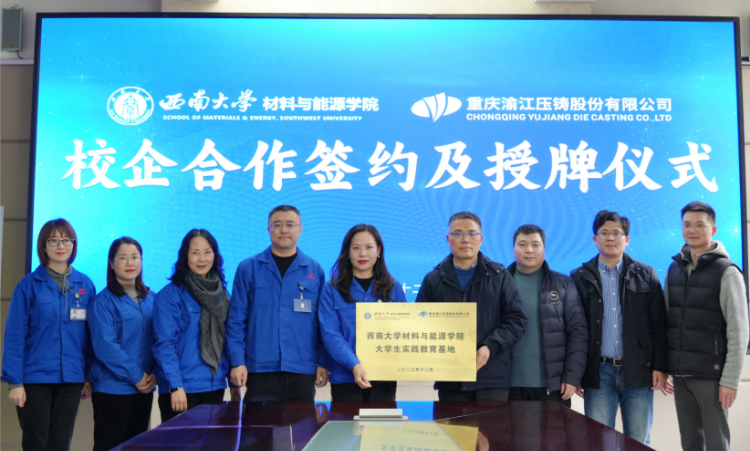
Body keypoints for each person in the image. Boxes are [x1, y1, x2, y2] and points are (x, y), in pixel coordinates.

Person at [570, 210, 667, 446]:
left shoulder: (645, 274)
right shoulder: (579, 277)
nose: (611, 238)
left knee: (638, 442)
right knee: (600, 442)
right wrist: (575, 373)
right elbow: (574, 330)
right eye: (604, 233)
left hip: (638, 372)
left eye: (616, 233)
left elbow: (660, 325)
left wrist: (661, 366)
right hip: (598, 372)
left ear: (627, 239)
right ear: (595, 239)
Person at [1, 218, 96, 450]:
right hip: (35, 379)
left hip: (71, 379)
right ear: (43, 246)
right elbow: (14, 336)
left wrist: (88, 376)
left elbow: (91, 337)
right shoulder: (28, 285)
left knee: (60, 443)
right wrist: (15, 382)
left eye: (66, 240)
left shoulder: (85, 285)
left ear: (73, 244)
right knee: (36, 443)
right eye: (53, 240)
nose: (61, 245)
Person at [415, 211, 527, 401]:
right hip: (450, 380)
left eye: (472, 233)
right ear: (448, 239)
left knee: (491, 423)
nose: (465, 239)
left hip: (491, 379)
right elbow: (420, 323)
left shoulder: (499, 276)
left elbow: (518, 320)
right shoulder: (433, 280)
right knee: (451, 423)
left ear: (480, 239)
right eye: (458, 233)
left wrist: (489, 346)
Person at [665, 201, 748, 451]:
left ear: (713, 229)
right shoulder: (675, 269)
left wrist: (730, 380)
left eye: (699, 225)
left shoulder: (727, 272)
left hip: (712, 376)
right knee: (690, 443)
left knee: (716, 443)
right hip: (681, 374)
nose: (692, 230)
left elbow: (739, 331)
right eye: (687, 225)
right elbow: (668, 322)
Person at [227, 205, 328, 402]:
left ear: (300, 229)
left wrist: (322, 362)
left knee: (301, 423)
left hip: (302, 369)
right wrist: (237, 362)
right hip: (260, 368)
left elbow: (322, 324)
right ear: (268, 229)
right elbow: (236, 322)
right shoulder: (249, 268)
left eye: (290, 225)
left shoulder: (314, 270)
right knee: (258, 422)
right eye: (277, 225)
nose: (284, 230)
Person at [152, 229, 237, 422]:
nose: (202, 259)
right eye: (195, 253)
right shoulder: (170, 295)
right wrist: (175, 386)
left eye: (207, 252)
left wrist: (233, 385)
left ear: (215, 255)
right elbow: (165, 345)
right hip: (182, 389)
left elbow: (228, 340)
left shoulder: (222, 294)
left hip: (215, 386)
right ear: (185, 256)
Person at [319, 224, 407, 402]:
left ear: (379, 251)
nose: (362, 254)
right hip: (344, 376)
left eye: (369, 247)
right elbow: (330, 333)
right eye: (356, 248)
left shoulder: (393, 287)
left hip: (384, 376)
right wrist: (354, 364)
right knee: (346, 421)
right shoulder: (332, 289)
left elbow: (404, 329)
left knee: (382, 421)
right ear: (347, 252)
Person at [507, 224, 588, 407]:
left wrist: (572, 376)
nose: (529, 250)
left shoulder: (564, 283)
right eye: (522, 244)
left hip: (553, 385)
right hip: (507, 385)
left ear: (544, 249)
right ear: (513, 249)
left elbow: (578, 332)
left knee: (554, 428)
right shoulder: (499, 283)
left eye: (535, 244)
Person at [89, 237, 157, 451]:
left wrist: (154, 375)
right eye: (123, 258)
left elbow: (161, 341)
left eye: (135, 257)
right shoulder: (103, 302)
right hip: (112, 389)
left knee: (136, 447)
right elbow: (105, 347)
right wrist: (137, 376)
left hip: (144, 389)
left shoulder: (153, 299)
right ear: (111, 263)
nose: (130, 263)